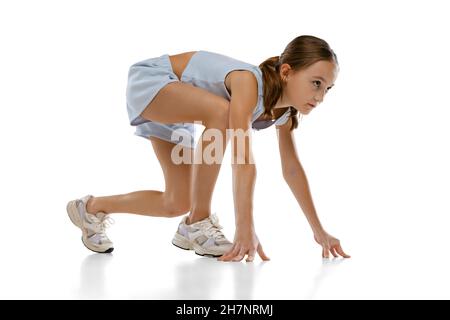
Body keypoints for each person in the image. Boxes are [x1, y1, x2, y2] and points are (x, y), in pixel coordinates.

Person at [66, 35, 351, 262]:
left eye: (328, 89)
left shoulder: (284, 113)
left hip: (181, 107)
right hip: (157, 81)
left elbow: (291, 170)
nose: (321, 97)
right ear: (287, 72)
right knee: (220, 111)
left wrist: (319, 231)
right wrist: (245, 227)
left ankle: (90, 208)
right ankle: (198, 222)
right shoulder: (249, 83)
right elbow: (242, 159)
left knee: (177, 202)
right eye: (316, 83)